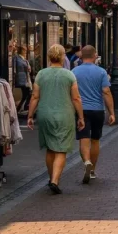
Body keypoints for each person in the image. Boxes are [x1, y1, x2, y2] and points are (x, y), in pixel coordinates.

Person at [27, 44, 85, 194]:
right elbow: (76, 98)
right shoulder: (69, 75)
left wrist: (30, 115)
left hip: (45, 114)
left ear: (49, 57)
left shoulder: (41, 74)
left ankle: (50, 177)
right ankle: (55, 180)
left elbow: (35, 96)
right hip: (64, 114)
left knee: (50, 148)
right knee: (61, 149)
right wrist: (81, 117)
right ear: (62, 57)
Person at [72, 45, 116, 183]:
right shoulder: (101, 72)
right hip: (97, 109)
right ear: (94, 55)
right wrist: (112, 112)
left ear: (81, 56)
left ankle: (86, 162)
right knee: (95, 140)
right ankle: (92, 170)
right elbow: (106, 92)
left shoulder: (74, 72)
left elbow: (72, 94)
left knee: (84, 139)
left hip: (81, 110)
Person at [13, 45, 33, 114]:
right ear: (21, 51)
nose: (25, 52)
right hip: (20, 79)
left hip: (26, 78)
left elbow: (28, 69)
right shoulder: (16, 58)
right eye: (24, 50)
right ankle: (21, 108)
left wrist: (28, 68)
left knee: (27, 94)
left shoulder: (25, 59)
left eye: (25, 50)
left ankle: (21, 108)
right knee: (26, 94)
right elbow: (14, 69)